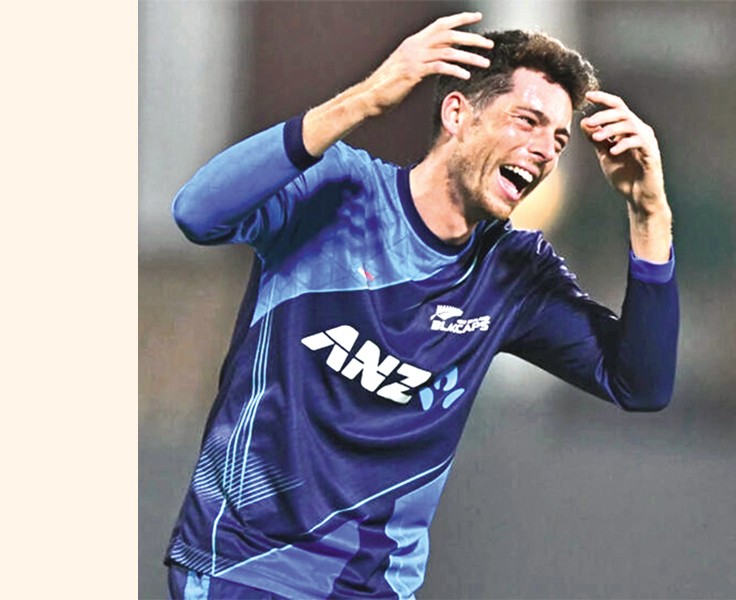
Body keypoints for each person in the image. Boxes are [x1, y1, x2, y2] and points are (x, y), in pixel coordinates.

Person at [165, 11, 678, 599]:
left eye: (558, 140)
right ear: (457, 113)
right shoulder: (337, 189)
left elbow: (642, 383)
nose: (543, 150)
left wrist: (648, 213)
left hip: (377, 588)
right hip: (243, 569)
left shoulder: (513, 272)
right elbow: (196, 214)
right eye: (528, 120)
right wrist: (365, 98)